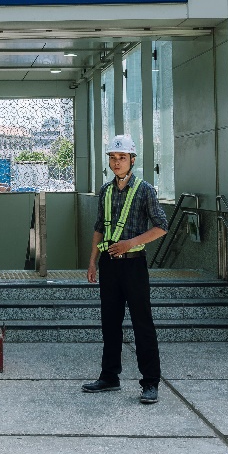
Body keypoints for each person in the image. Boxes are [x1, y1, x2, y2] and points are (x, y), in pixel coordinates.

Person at [84, 134, 169, 405]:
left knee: (142, 323)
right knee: (110, 323)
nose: (116, 162)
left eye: (122, 158)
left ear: (132, 160)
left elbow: (161, 226)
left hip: (133, 264)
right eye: (112, 157)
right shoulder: (106, 191)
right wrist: (92, 261)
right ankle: (110, 376)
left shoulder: (145, 190)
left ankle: (150, 383)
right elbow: (99, 227)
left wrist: (130, 243)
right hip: (109, 265)